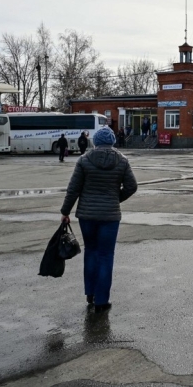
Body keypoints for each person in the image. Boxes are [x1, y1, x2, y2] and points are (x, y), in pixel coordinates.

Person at [60, 127, 138, 313]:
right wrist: (115, 199)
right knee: (106, 256)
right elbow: (131, 186)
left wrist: (65, 211)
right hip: (110, 216)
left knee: (91, 252)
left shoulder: (84, 160)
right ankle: (102, 301)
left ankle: (90, 293)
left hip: (87, 216)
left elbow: (73, 189)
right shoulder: (122, 161)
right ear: (112, 142)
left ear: (95, 142)